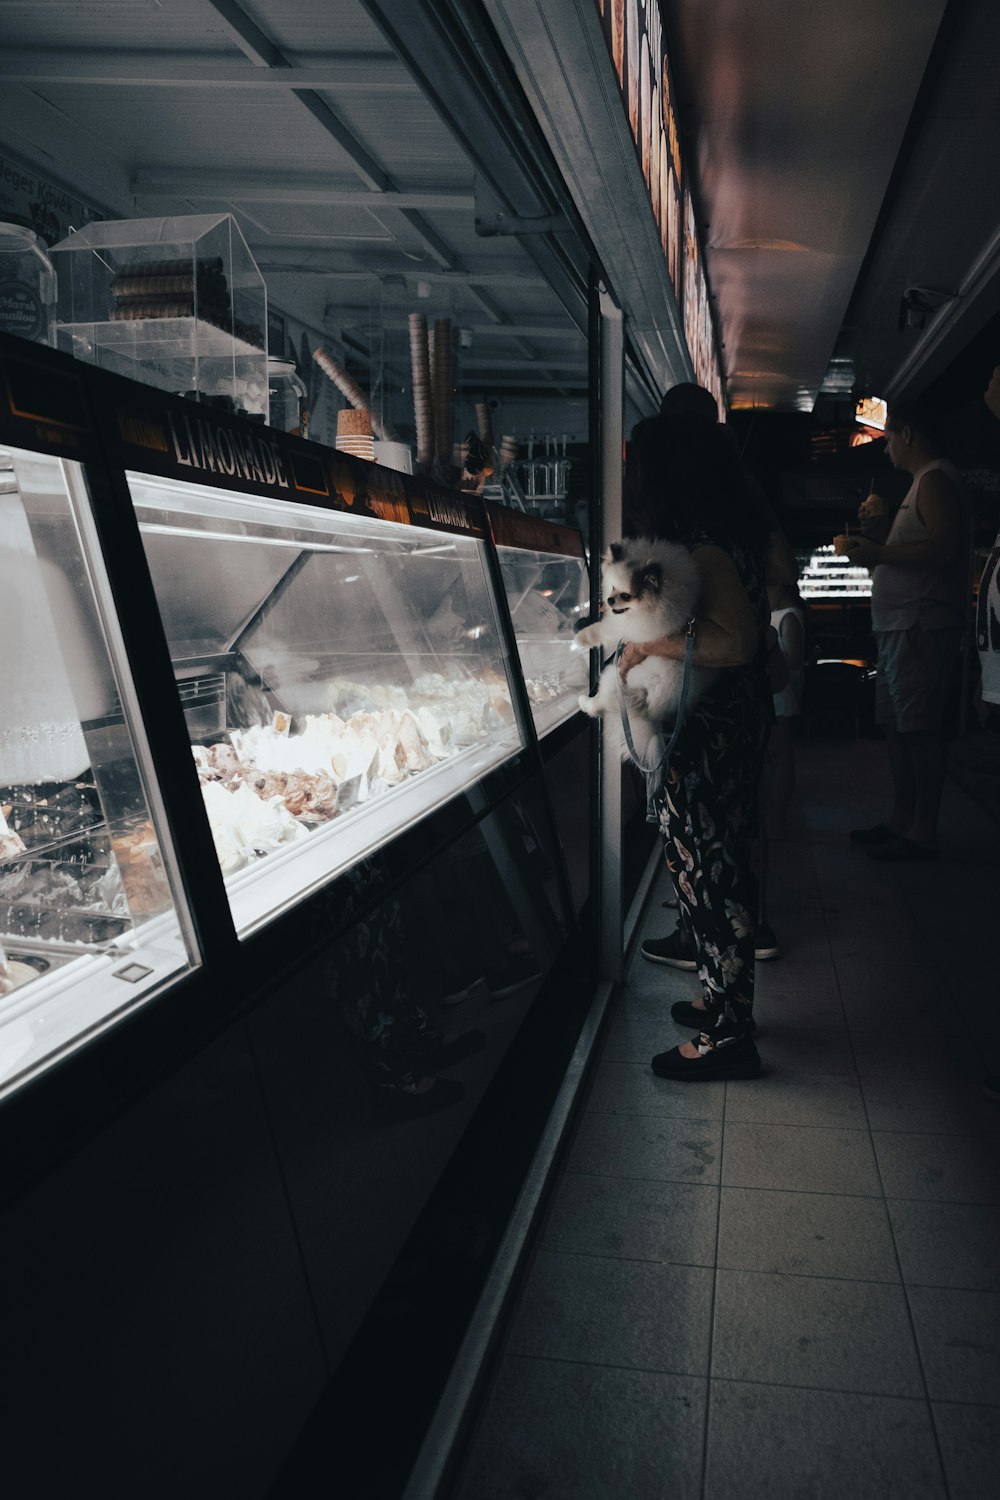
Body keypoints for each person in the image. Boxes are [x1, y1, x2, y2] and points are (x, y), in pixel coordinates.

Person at [622, 410, 772, 1080]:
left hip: (711, 733)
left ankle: (730, 1035)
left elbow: (736, 643)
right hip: (731, 724)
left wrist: (643, 644)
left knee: (714, 877)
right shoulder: (730, 532)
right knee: (716, 869)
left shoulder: (705, 545)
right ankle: (721, 1002)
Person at [834, 398, 969, 860]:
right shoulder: (920, 484)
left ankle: (922, 831)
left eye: (890, 436)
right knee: (896, 726)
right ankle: (903, 818)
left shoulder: (934, 479)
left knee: (920, 731)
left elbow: (944, 550)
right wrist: (883, 532)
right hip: (901, 627)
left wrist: (877, 553)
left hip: (920, 625)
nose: (886, 446)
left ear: (908, 434)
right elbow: (921, 548)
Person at [764, 568, 807, 839]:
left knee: (781, 755)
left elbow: (792, 659)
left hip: (782, 693)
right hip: (771, 692)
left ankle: (778, 818)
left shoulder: (789, 616)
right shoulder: (777, 615)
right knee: (773, 754)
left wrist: (767, 646)